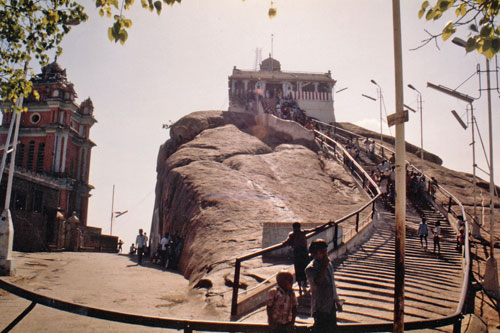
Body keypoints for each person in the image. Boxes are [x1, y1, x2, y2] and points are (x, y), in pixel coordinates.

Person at [305, 239, 343, 332]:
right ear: (314, 254)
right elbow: (317, 282)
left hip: (330, 305)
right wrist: (323, 267)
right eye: (322, 252)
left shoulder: (328, 264)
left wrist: (337, 301)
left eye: (326, 251)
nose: (325, 254)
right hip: (320, 307)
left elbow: (332, 285)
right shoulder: (311, 268)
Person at [282, 222, 311, 295]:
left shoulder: (292, 235)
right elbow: (314, 229)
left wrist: (285, 243)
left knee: (298, 269)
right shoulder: (303, 233)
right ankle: (304, 283)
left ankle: (300, 287)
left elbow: (286, 242)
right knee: (305, 267)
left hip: (297, 254)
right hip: (304, 253)